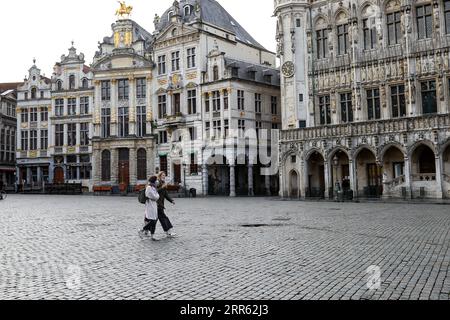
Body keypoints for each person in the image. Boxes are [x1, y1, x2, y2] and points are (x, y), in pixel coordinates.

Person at [139, 176, 160, 241]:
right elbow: (154, 196)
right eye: (157, 180)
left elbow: (156, 196)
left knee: (154, 220)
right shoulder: (149, 187)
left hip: (154, 205)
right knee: (153, 221)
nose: (157, 181)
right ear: (154, 181)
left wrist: (156, 196)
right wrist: (156, 196)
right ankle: (142, 230)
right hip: (150, 206)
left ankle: (152, 236)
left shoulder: (154, 187)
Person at [156, 171, 177, 238]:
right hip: (157, 204)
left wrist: (171, 200)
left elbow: (165, 195)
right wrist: (162, 187)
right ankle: (168, 232)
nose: (164, 176)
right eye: (163, 175)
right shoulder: (157, 182)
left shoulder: (163, 183)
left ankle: (145, 230)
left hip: (160, 204)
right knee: (163, 218)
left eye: (165, 175)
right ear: (159, 176)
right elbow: (154, 191)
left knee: (156, 219)